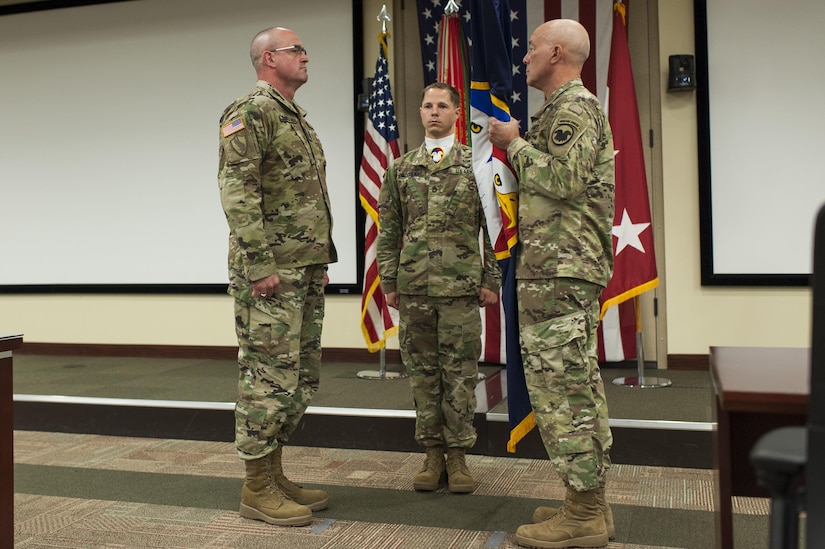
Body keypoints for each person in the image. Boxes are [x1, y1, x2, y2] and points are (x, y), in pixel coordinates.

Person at [488, 19, 615, 549]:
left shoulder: (575, 110)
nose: (524, 59)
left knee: (562, 390)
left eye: (533, 49)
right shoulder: (558, 111)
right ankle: (587, 504)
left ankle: (584, 516)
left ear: (556, 53)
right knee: (572, 386)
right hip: (554, 268)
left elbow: (562, 182)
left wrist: (515, 143)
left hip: (562, 270)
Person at [217, 26, 336, 527]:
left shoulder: (297, 119)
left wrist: (317, 262)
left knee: (297, 377)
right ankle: (255, 487)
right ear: (269, 58)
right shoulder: (250, 112)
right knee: (266, 376)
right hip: (271, 273)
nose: (306, 56)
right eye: (296, 50)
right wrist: (260, 263)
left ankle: (274, 471)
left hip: (302, 270)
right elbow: (237, 190)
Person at [376, 82, 501, 494]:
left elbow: (495, 229)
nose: (434, 112)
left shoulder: (477, 165)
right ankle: (432, 453)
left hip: (461, 289)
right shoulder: (400, 168)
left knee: (461, 375)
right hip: (414, 289)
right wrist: (390, 280)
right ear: (420, 111)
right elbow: (390, 229)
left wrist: (490, 278)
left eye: (442, 105)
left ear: (457, 112)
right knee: (423, 376)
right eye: (427, 105)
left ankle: (460, 456)